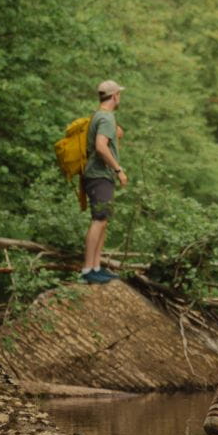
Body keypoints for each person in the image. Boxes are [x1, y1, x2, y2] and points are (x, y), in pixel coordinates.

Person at [80, 80, 128, 284]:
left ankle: (96, 267)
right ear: (115, 95)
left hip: (97, 175)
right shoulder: (106, 117)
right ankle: (88, 270)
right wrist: (119, 170)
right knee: (99, 219)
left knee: (103, 219)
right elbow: (101, 146)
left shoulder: (100, 116)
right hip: (99, 175)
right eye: (120, 94)